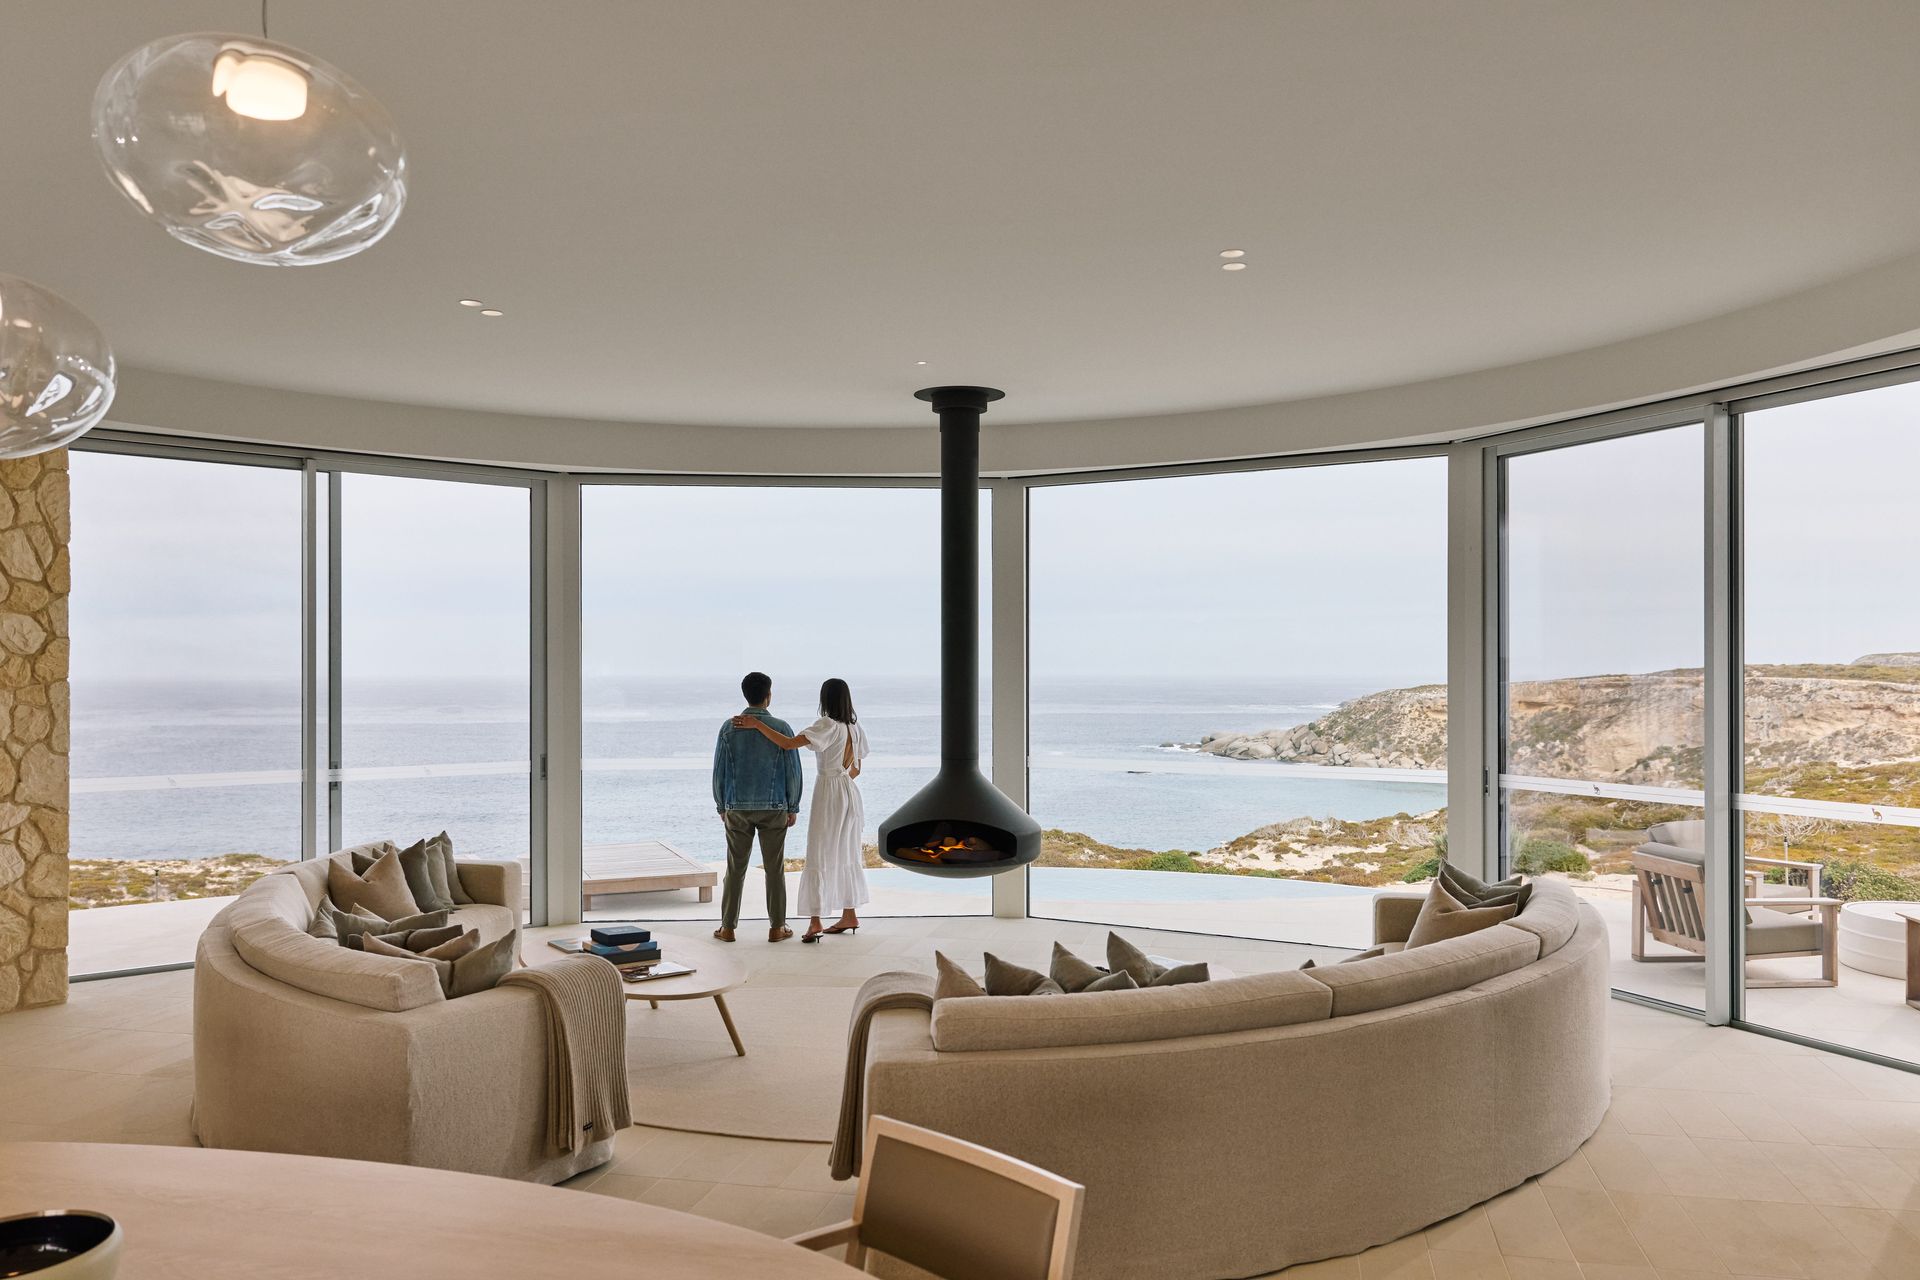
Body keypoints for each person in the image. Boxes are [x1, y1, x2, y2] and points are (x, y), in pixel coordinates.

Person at [732, 678, 870, 943]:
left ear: (825, 699)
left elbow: (787, 743)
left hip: (829, 790)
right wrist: (840, 782)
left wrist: (757, 724)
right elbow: (856, 769)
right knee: (846, 851)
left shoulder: (827, 724)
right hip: (849, 792)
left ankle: (815, 921)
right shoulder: (855, 727)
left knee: (818, 852)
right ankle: (849, 914)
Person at [710, 671, 803, 943]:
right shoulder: (782, 728)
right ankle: (777, 927)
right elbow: (793, 771)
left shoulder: (729, 728)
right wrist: (792, 805)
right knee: (774, 869)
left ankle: (727, 928)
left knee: (735, 869)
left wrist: (721, 805)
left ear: (746, 695)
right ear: (768, 695)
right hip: (775, 806)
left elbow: (719, 771)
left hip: (737, 807)